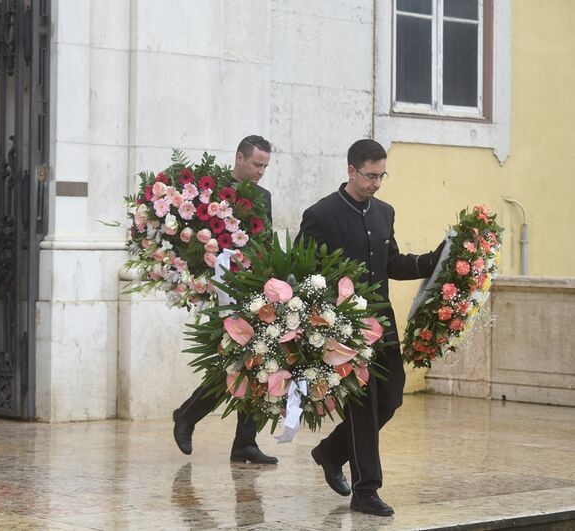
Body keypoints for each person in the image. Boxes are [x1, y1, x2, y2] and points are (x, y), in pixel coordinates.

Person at [295, 139, 443, 516]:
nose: (376, 183)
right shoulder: (321, 214)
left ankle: (330, 452)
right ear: (351, 170)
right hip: (344, 333)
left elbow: (391, 262)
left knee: (391, 398)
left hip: (384, 327)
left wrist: (431, 260)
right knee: (363, 408)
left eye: (381, 176)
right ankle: (366, 490)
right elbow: (301, 272)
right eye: (370, 176)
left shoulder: (384, 212)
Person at [172, 135, 278, 465]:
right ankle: (188, 415)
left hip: (253, 288)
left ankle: (245, 442)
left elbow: (265, 242)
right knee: (232, 363)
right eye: (257, 164)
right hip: (220, 289)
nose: (261, 171)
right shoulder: (213, 192)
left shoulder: (264, 196)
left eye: (265, 166)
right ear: (239, 158)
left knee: (260, 359)